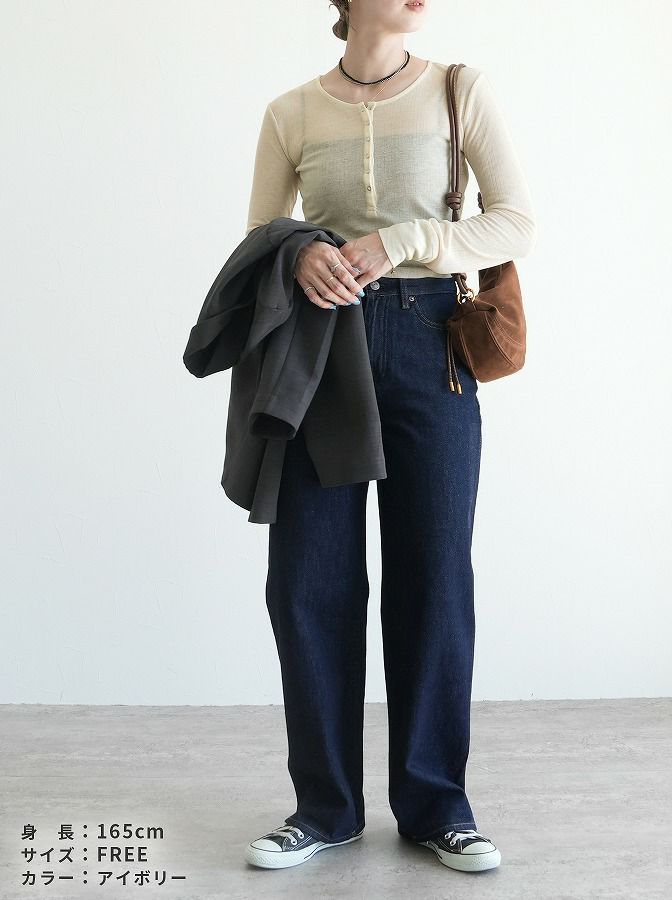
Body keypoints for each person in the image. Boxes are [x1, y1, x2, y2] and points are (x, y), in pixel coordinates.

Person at [242, 0, 536, 874]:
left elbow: (516, 221)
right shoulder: (292, 111)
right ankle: (324, 808)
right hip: (319, 349)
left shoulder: (458, 90)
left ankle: (438, 807)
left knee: (434, 578)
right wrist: (299, 253)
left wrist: (402, 239)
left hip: (431, 344)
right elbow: (258, 238)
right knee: (309, 581)